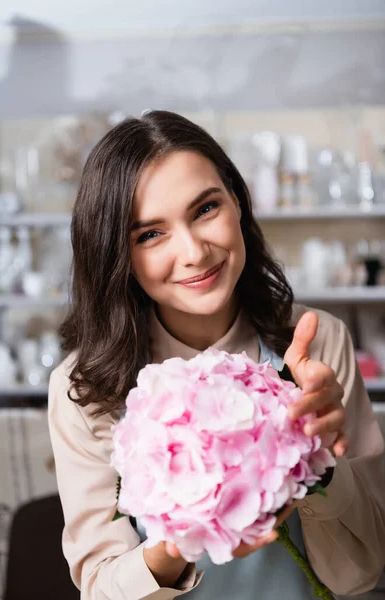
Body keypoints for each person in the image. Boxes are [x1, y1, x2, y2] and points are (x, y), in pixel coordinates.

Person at [48, 110, 385, 600]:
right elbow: (100, 588)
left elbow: (362, 573)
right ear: (117, 254)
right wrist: (185, 540)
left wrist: (316, 457)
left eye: (205, 209)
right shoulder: (85, 388)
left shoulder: (314, 347)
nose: (194, 251)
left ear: (237, 201)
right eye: (150, 234)